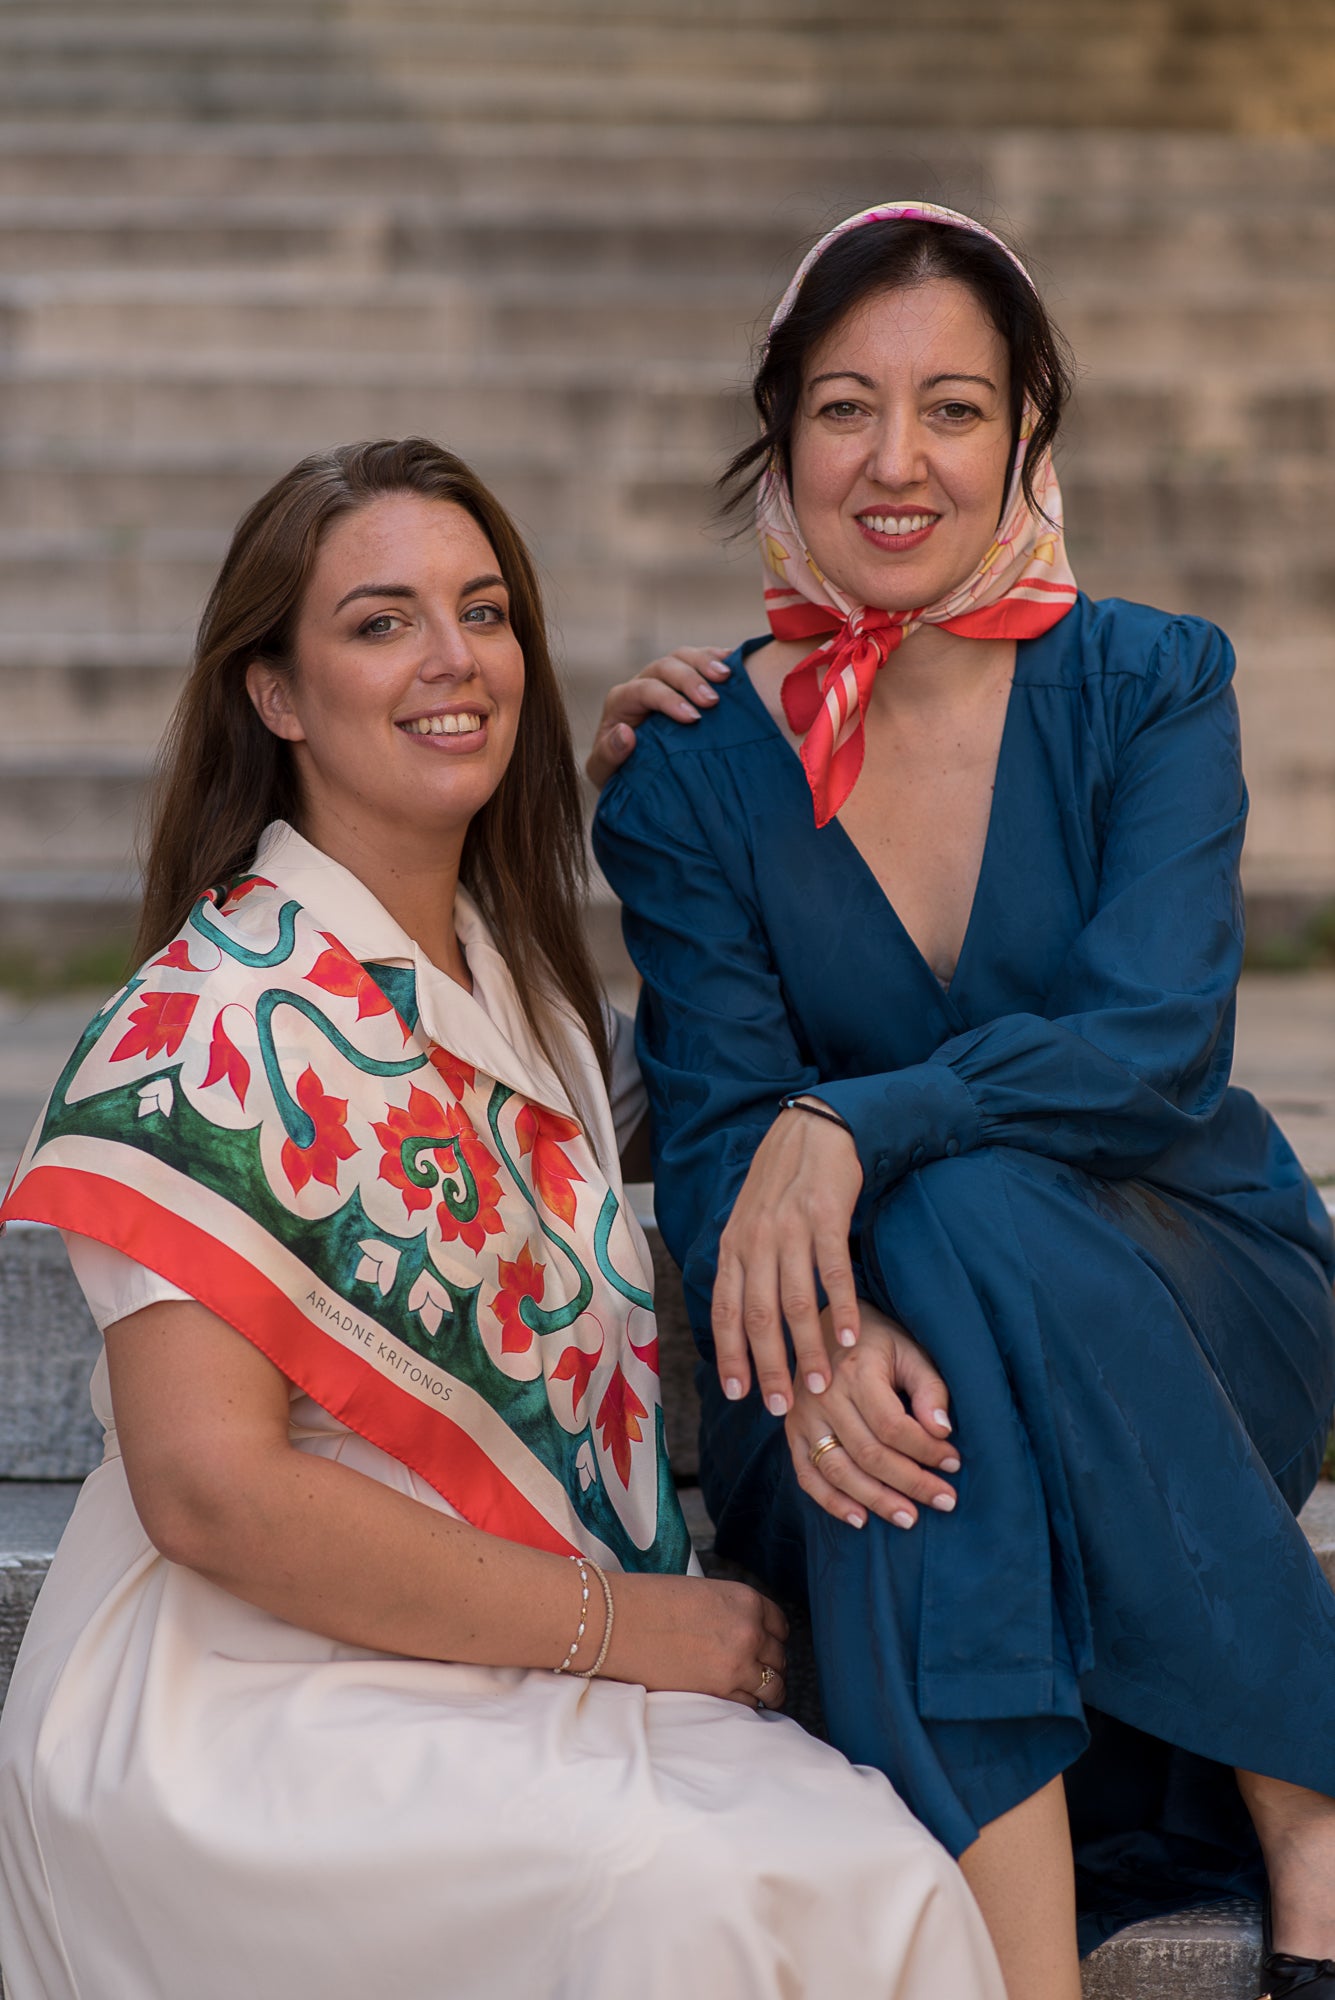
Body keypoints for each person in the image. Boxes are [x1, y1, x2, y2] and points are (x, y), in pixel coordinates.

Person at [0, 438, 1006, 2000]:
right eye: (381, 623)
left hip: (504, 1657)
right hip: (246, 1703)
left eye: (485, 613)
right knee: (705, 1904)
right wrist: (640, 1630)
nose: (453, 660)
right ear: (273, 691)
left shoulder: (524, 992)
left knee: (872, 1879)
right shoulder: (199, 1027)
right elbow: (213, 1499)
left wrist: (721, 761)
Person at [589, 204, 1335, 2000]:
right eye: (846, 408)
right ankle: (1294, 1820)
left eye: (953, 409)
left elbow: (1154, 1042)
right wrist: (822, 1340)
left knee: (949, 1197)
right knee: (907, 1411)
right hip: (829, 1350)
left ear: (1026, 436)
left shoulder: (1154, 682)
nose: (896, 461)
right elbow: (711, 1142)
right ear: (780, 436)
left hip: (1189, 1298)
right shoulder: (689, 770)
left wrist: (858, 1123)